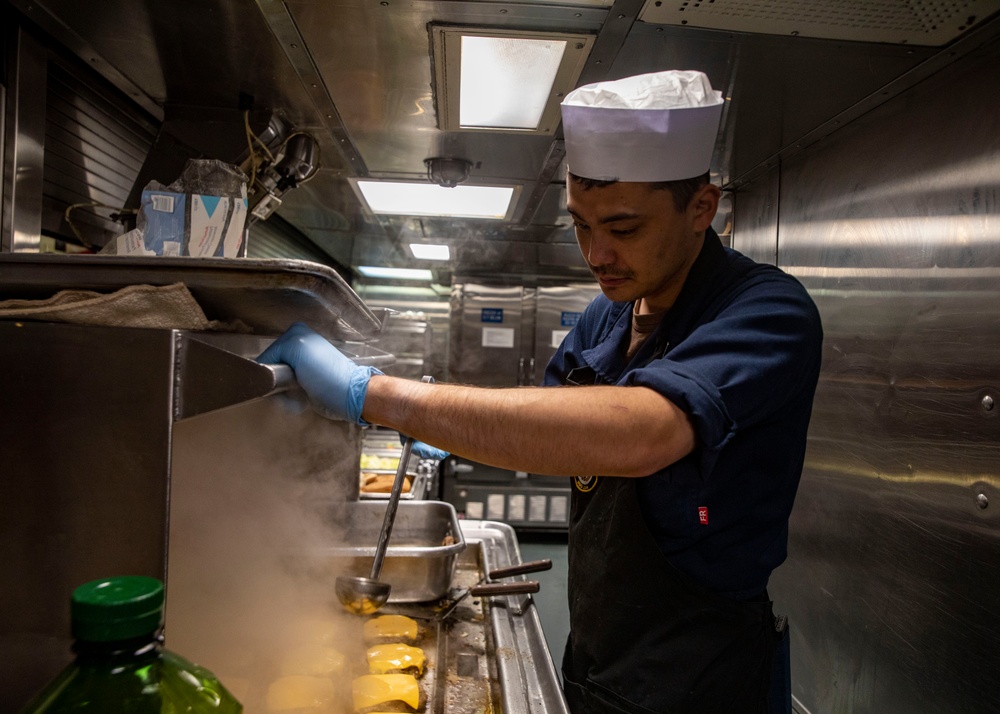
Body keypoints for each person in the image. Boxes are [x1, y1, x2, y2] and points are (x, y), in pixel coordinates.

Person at [258, 70, 823, 714]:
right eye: (581, 225)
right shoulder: (607, 316)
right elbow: (556, 425)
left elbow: (638, 431)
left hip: (706, 671)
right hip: (600, 645)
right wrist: (440, 430)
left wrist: (375, 395)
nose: (596, 253)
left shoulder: (765, 310)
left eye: (624, 228)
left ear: (702, 208)